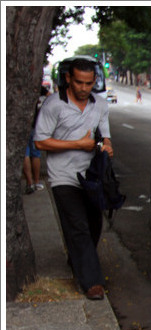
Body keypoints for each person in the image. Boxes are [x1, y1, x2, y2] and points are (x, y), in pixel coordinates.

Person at [33, 57, 113, 300]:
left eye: (89, 83)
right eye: (79, 82)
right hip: (63, 177)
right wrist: (78, 144)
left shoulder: (99, 104)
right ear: (68, 78)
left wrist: (106, 147)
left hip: (91, 178)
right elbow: (40, 141)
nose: (84, 88)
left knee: (93, 226)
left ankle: (76, 259)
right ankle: (92, 282)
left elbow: (105, 137)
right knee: (77, 227)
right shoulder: (53, 105)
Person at [23, 85, 50, 194]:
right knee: (35, 153)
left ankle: (29, 183)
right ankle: (37, 181)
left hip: (20, 125)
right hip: (34, 123)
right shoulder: (35, 85)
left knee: (25, 154)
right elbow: (49, 96)